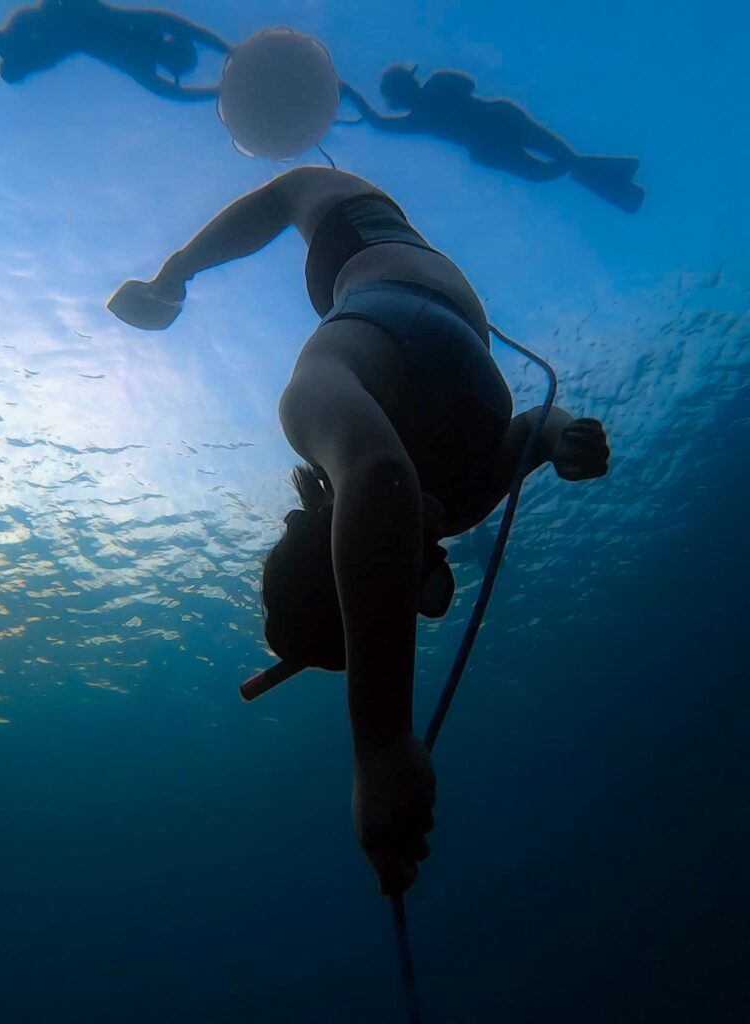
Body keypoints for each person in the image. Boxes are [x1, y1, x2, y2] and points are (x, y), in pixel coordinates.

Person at [107, 166, 610, 895]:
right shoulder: (457, 497)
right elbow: (531, 428)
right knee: (301, 193)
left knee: (298, 192)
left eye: (402, 571)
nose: (425, 558)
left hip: (375, 311)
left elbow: (378, 480)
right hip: (403, 304)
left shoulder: (333, 413)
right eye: (422, 583)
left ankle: (172, 277)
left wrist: (380, 744)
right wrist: (564, 441)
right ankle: (172, 279)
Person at [339, 65, 645, 214]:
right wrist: (351, 94)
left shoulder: (429, 100)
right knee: (547, 170)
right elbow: (379, 123)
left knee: (561, 159)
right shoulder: (417, 119)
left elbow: (467, 83)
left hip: (499, 123)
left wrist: (353, 95)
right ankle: (613, 184)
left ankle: (612, 183)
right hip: (491, 145)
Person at [0, 0, 230, 100]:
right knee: (46, 36)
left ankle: (13, 51)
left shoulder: (143, 61)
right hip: (77, 21)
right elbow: (175, 92)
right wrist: (225, 52)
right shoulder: (145, 54)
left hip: (75, 23)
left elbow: (186, 31)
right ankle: (12, 50)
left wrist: (225, 54)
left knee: (43, 37)